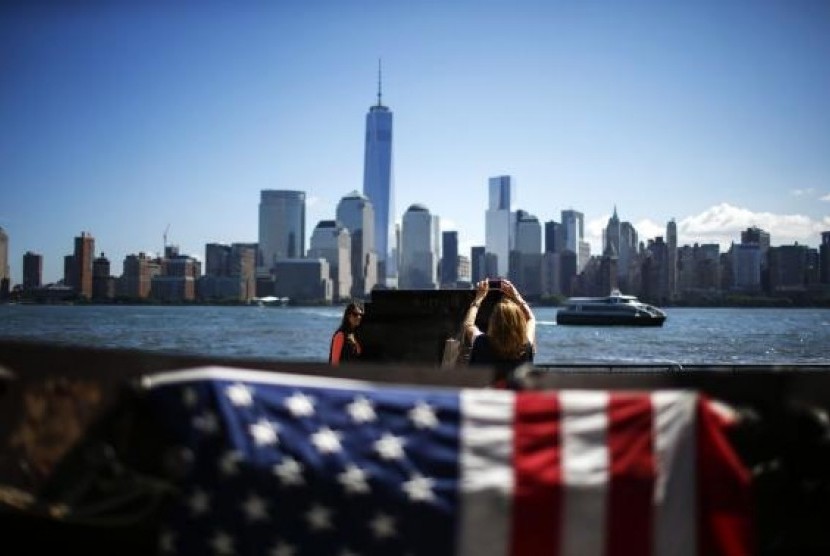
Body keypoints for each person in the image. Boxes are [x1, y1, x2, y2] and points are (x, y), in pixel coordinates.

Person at [463, 279, 536, 388]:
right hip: (511, 401)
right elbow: (531, 318)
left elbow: (468, 325)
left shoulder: (480, 342)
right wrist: (516, 296)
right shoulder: (526, 346)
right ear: (520, 321)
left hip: (484, 400)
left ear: (493, 321)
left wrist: (479, 298)